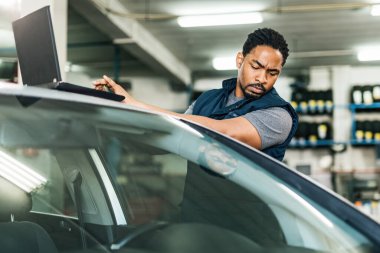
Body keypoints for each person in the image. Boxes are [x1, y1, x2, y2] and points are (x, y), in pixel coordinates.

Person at [94, 28, 298, 161]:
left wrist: (136, 104)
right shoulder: (207, 99)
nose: (262, 78)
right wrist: (113, 114)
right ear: (239, 60)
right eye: (256, 67)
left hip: (248, 222)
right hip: (196, 213)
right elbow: (174, 137)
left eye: (272, 73)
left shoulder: (278, 115)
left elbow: (224, 133)